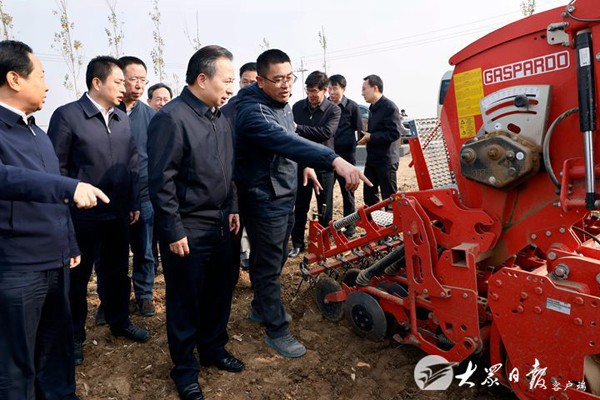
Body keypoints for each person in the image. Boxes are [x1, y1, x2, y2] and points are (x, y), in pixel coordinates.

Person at [235, 49, 370, 359]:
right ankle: (276, 329)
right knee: (269, 265)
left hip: (284, 192)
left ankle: (260, 306)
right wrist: (334, 160)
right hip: (263, 196)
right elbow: (283, 140)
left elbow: (291, 140)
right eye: (277, 79)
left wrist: (305, 164)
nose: (286, 85)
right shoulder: (252, 111)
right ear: (260, 80)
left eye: (289, 78)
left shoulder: (281, 105)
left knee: (279, 254)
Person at [0, 40, 108, 400]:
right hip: (17, 267)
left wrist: (70, 242)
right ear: (14, 79)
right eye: (42, 76)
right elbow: (8, 179)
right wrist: (69, 186)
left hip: (55, 261)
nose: (47, 86)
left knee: (56, 351)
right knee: (16, 364)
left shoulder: (36, 131)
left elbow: (53, 194)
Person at [147, 45, 242, 400]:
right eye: (226, 80)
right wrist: (173, 230)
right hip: (188, 228)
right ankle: (185, 369)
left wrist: (233, 206)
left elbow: (229, 168)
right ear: (202, 79)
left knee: (220, 291)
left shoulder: (220, 117)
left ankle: (213, 348)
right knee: (185, 300)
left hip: (221, 222)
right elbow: (162, 181)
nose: (231, 88)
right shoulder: (171, 118)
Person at [48, 55, 149, 367]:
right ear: (97, 82)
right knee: (77, 279)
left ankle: (119, 321)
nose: (124, 88)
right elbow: (56, 168)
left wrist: (133, 201)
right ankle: (74, 335)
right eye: (118, 82)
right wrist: (63, 209)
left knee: (117, 272)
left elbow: (132, 163)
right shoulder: (68, 116)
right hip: (81, 215)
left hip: (117, 212)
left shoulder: (121, 117)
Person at [118, 55, 157, 317]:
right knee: (113, 254)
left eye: (143, 79)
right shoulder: (107, 113)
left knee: (145, 250)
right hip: (112, 196)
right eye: (133, 79)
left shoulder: (151, 116)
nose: (139, 84)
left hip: (144, 195)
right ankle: (113, 300)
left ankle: (144, 295)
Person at [288, 71, 341, 258]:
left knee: (324, 206)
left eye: (315, 92)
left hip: (324, 166)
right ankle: (297, 243)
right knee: (300, 205)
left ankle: (324, 242)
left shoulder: (333, 110)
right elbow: (291, 135)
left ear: (324, 90)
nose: (311, 95)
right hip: (301, 165)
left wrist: (299, 128)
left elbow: (326, 133)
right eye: (308, 91)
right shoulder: (297, 107)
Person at [222, 62, 257, 273]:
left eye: (254, 82)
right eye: (245, 81)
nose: (249, 86)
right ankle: (232, 273)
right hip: (232, 183)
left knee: (258, 236)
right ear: (239, 83)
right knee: (233, 233)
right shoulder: (225, 112)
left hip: (259, 186)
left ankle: (256, 275)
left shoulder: (268, 108)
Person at [328, 74, 364, 238]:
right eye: (329, 88)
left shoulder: (352, 107)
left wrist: (354, 150)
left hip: (347, 158)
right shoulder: (325, 106)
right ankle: (328, 228)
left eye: (335, 88)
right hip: (328, 158)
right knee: (326, 194)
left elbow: (360, 132)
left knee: (348, 192)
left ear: (343, 89)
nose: (331, 92)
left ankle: (350, 227)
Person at [358, 74, 402, 206]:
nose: (362, 93)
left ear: (375, 88)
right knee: (369, 197)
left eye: (364, 89)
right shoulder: (372, 107)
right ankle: (374, 219)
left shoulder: (389, 107)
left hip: (386, 160)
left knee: (389, 199)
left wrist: (371, 137)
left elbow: (394, 133)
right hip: (372, 160)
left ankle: (392, 219)